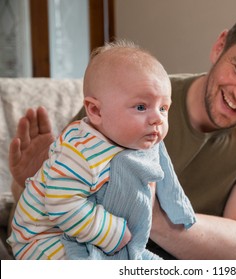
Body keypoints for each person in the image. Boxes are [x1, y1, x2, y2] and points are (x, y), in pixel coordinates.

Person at [8, 0, 236, 259]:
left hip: (195, 258)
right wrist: (28, 183)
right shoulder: (130, 94)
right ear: (220, 46)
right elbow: (57, 212)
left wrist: (148, 215)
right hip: (109, 249)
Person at [7, 41, 196, 260]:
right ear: (96, 111)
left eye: (163, 108)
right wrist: (113, 233)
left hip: (90, 234)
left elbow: (167, 180)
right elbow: (62, 204)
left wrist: (180, 211)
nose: (157, 118)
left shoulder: (144, 144)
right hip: (43, 238)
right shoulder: (80, 151)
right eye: (141, 107)